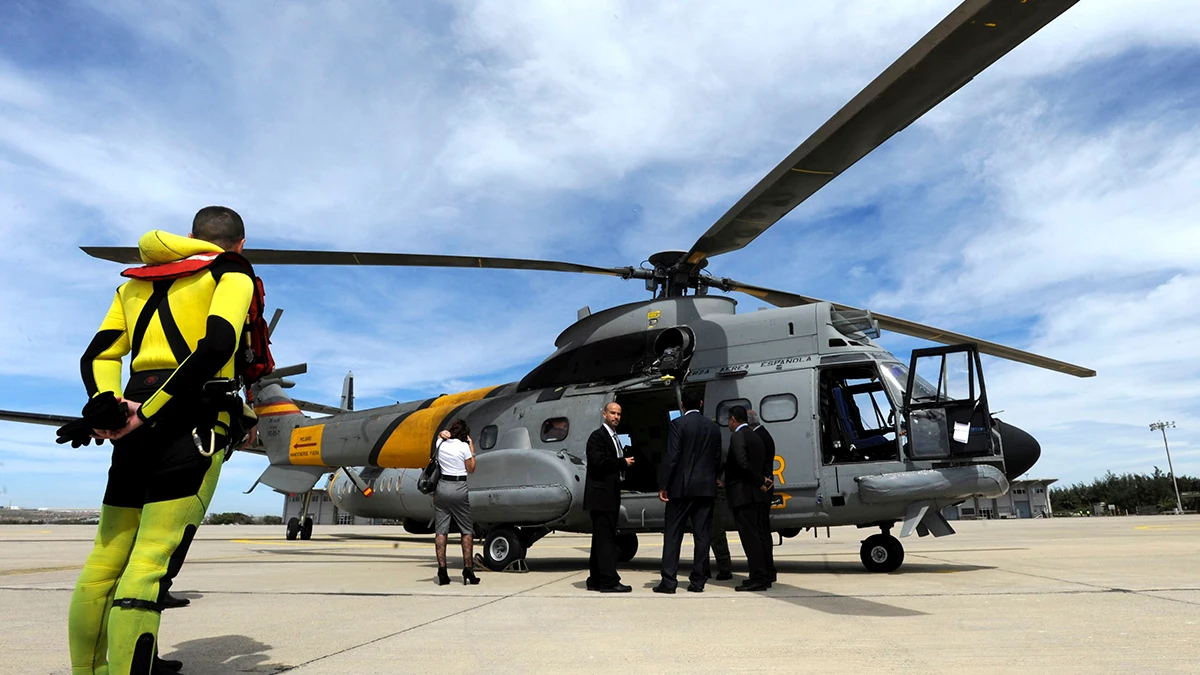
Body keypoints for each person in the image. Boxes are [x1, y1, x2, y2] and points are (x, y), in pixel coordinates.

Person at [68, 207, 257, 674]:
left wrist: (108, 405)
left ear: (191, 236)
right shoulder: (231, 271)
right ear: (240, 243)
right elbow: (216, 347)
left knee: (104, 561)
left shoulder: (134, 283)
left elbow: (99, 353)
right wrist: (149, 413)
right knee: (150, 563)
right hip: (194, 419)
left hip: (131, 418)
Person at [654, 389, 722, 594]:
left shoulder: (678, 424)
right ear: (700, 403)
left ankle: (669, 581)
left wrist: (664, 485)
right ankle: (698, 580)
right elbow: (717, 457)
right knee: (702, 536)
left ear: (682, 405)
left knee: (673, 535)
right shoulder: (713, 427)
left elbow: (673, 456)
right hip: (705, 488)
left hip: (681, 488)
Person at [584, 402, 635, 592]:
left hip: (609, 496)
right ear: (604, 414)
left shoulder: (614, 438)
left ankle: (595, 579)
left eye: (619, 414)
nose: (616, 417)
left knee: (600, 539)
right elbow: (598, 463)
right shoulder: (597, 437)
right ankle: (609, 581)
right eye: (613, 413)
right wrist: (623, 463)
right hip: (601, 497)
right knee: (606, 541)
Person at [724, 405, 772, 591]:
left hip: (743, 494)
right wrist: (761, 480)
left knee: (750, 538)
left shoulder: (738, 435)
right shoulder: (756, 436)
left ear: (733, 419)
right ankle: (763, 575)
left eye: (729, 420)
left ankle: (758, 577)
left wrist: (759, 480)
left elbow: (742, 464)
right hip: (756, 494)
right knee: (758, 535)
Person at [433, 419, 479, 585]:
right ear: (465, 435)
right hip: (459, 487)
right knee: (466, 531)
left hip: (442, 487)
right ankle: (468, 569)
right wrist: (472, 449)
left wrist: (442, 434)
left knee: (441, 531)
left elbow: (440, 437)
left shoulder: (440, 443)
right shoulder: (464, 447)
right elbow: (471, 468)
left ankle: (442, 571)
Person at [748, 409, 778, 583]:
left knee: (761, 529)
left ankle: (766, 569)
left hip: (762, 488)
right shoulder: (764, 434)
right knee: (764, 529)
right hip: (767, 485)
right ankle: (769, 568)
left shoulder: (758, 437)